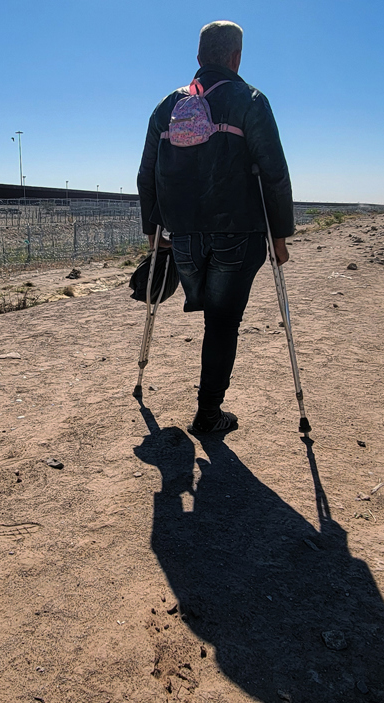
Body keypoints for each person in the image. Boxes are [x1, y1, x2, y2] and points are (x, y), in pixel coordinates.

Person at [137, 20, 294, 435]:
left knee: (209, 310)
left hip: (183, 237)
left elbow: (147, 174)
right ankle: (209, 414)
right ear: (236, 57)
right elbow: (274, 174)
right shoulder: (250, 100)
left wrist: (152, 230)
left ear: (198, 58)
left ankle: (201, 402)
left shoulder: (167, 106)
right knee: (222, 323)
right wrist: (278, 237)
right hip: (238, 236)